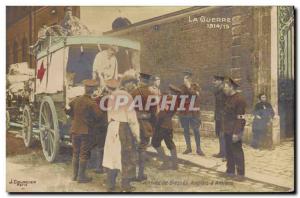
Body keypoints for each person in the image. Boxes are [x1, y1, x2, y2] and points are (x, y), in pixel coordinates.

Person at [102, 78, 140, 192]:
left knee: (112, 155)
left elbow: (109, 115)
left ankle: (110, 184)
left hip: (112, 127)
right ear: (126, 83)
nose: (134, 86)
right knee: (126, 156)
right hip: (123, 127)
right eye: (132, 84)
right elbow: (132, 118)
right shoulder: (127, 96)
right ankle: (125, 186)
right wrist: (137, 135)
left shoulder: (111, 96)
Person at [65, 79, 103, 183]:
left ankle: (74, 175)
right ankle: (81, 177)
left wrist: (74, 117)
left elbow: (67, 109)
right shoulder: (91, 103)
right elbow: (99, 116)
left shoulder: (76, 100)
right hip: (85, 132)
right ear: (93, 90)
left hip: (74, 130)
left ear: (85, 89)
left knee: (75, 153)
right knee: (84, 153)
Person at [130, 73, 157, 181]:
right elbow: (154, 113)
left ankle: (131, 174)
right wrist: (153, 127)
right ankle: (140, 175)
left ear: (140, 80)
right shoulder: (151, 94)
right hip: (146, 124)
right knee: (142, 149)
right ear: (148, 81)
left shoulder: (133, 93)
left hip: (133, 123)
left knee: (132, 147)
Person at [222, 77, 247, 181]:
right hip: (227, 129)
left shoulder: (240, 99)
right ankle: (230, 171)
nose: (224, 88)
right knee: (228, 151)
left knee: (237, 151)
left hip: (235, 129)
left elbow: (240, 118)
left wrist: (236, 133)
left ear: (231, 87)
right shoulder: (227, 98)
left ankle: (241, 174)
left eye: (225, 86)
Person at [178, 70, 204, 156]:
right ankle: (188, 148)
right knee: (186, 130)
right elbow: (179, 98)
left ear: (190, 78)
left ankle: (198, 148)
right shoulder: (181, 87)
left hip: (194, 113)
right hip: (185, 113)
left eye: (187, 77)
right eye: (185, 77)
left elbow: (195, 95)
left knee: (196, 130)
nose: (186, 79)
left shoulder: (195, 86)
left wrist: (189, 87)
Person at [152, 92, 179, 170]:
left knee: (155, 143)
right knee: (170, 144)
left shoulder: (165, 100)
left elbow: (161, 115)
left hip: (162, 126)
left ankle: (165, 162)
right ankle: (175, 164)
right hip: (169, 126)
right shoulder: (174, 102)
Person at [212, 75, 226, 159]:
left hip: (223, 117)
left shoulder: (224, 91)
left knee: (223, 135)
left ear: (221, 81)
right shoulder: (218, 91)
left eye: (215, 80)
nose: (214, 82)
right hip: (218, 116)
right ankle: (222, 152)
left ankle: (226, 154)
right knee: (219, 134)